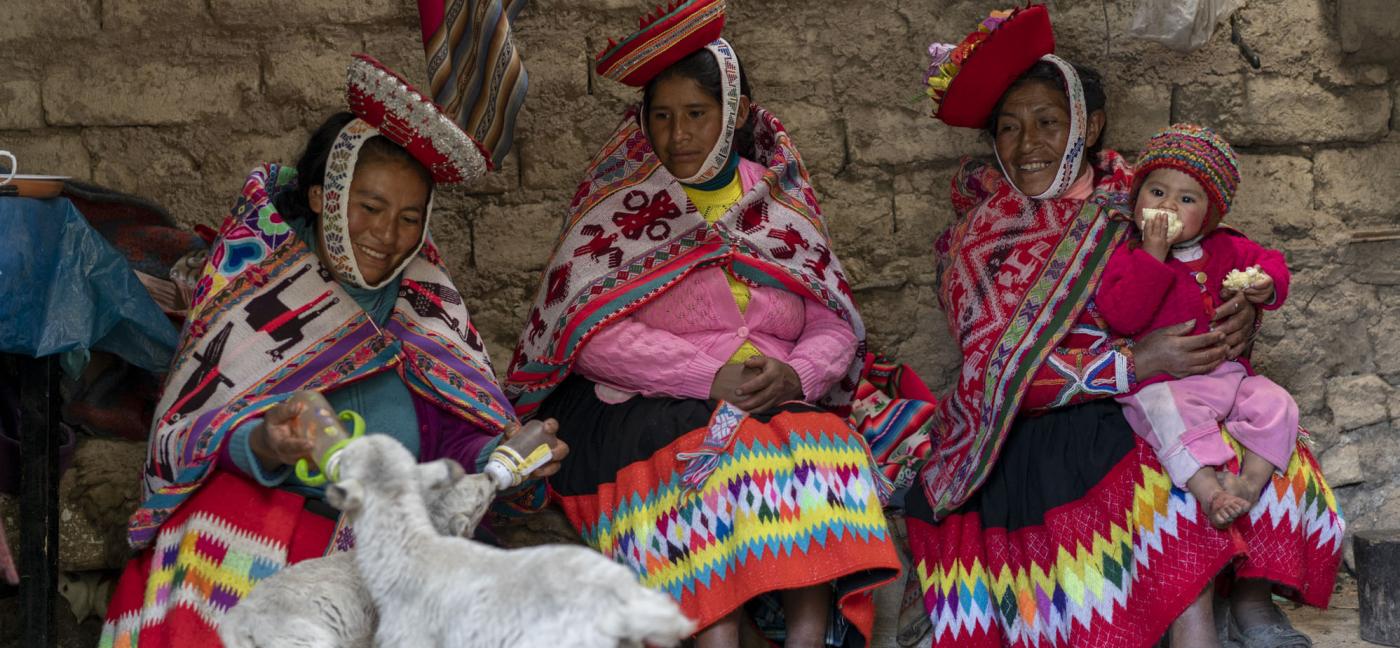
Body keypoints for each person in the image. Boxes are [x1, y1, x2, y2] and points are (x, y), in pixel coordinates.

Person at [901, 6, 1342, 648]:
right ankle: (1191, 625)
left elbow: (1210, 244)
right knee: (1146, 456)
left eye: (1048, 123)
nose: (1028, 145)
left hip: (1158, 389)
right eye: (1010, 128)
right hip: (1043, 422)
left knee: (1269, 433)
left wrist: (1242, 302)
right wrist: (1132, 364)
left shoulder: (1136, 195)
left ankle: (1251, 599)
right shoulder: (976, 239)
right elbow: (991, 371)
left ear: (1090, 124)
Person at [100, 54, 565, 647]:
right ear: (322, 196)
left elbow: (454, 438)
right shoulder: (258, 297)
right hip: (260, 516)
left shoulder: (425, 312)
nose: (385, 234)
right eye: (369, 208)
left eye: (407, 219)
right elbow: (191, 428)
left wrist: (502, 453)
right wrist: (266, 441)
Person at [504, 1, 901, 645]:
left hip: (774, 399)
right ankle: (718, 632)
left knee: (820, 442)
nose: (677, 134)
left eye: (696, 114)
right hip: (646, 406)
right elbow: (587, 331)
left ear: (737, 115)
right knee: (724, 455)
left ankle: (808, 634)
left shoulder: (777, 199)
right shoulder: (622, 207)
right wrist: (705, 375)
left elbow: (834, 320)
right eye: (660, 116)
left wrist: (795, 373)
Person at [1097, 124, 1299, 530]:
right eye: (1157, 193)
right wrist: (1154, 253)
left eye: (1186, 199)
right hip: (1171, 384)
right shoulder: (1129, 256)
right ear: (1136, 200)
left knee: (1278, 403)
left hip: (1229, 375)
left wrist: (1265, 285)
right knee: (1164, 411)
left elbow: (1272, 262)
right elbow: (1123, 316)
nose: (1168, 206)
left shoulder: (1227, 246)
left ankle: (1248, 485)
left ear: (1210, 214)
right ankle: (1210, 492)